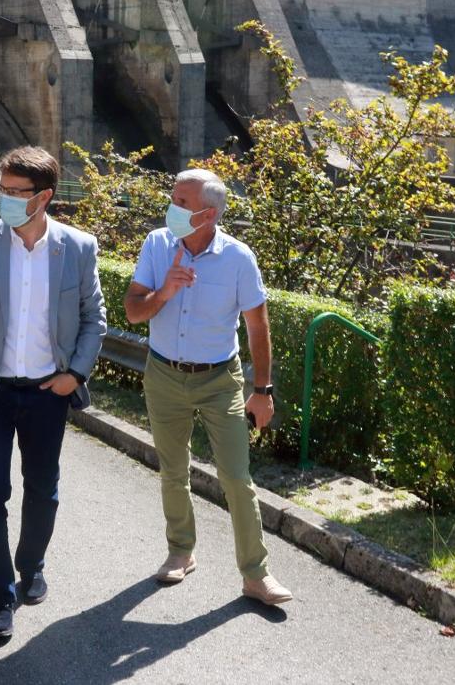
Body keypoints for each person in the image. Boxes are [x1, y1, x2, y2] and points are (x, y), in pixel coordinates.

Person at [0, 146, 107, 640]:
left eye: (17, 193)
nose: (6, 201)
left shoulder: (77, 247)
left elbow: (92, 320)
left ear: (44, 197)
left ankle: (30, 564)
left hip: (46, 392)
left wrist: (75, 374)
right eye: (3, 191)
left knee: (42, 488)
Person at [123, 168, 293, 607]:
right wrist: (164, 292)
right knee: (173, 470)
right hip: (164, 374)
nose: (172, 208)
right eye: (174, 198)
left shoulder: (238, 258)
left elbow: (258, 327)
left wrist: (263, 389)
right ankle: (180, 551)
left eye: (183, 202)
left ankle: (256, 574)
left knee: (236, 477)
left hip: (220, 379)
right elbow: (133, 312)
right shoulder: (157, 244)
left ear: (210, 213)